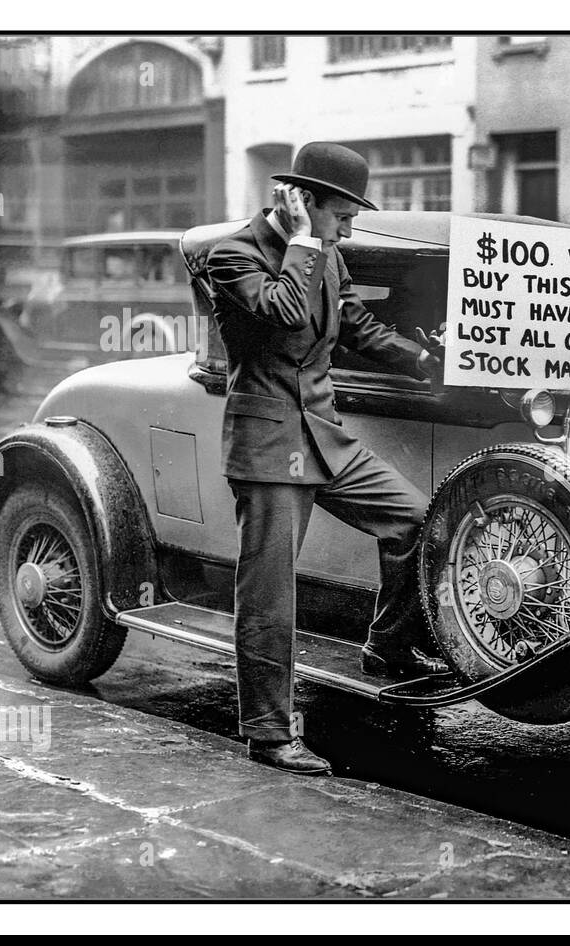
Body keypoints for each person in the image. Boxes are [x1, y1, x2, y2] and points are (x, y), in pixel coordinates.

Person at [206, 141, 448, 776]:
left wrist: (424, 359)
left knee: (416, 521)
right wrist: (306, 242)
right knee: (269, 593)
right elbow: (284, 311)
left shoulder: (328, 255)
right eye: (342, 215)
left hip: (324, 435)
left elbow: (355, 324)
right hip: (268, 446)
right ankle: (268, 733)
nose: (349, 228)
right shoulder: (231, 256)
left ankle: (388, 647)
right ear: (304, 202)